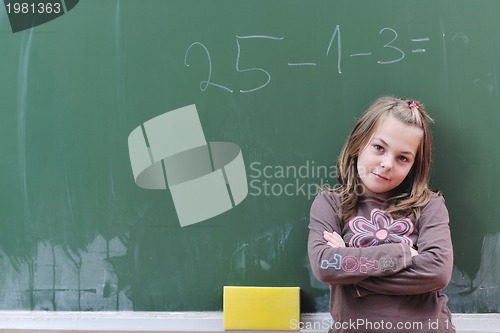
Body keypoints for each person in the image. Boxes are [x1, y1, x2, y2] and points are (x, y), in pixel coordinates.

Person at [308, 96, 455, 333]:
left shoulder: (429, 205)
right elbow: (326, 265)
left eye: (402, 158)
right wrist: (402, 254)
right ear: (358, 142)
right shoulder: (330, 203)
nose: (387, 163)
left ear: (413, 166)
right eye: (379, 147)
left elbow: (437, 272)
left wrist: (350, 267)